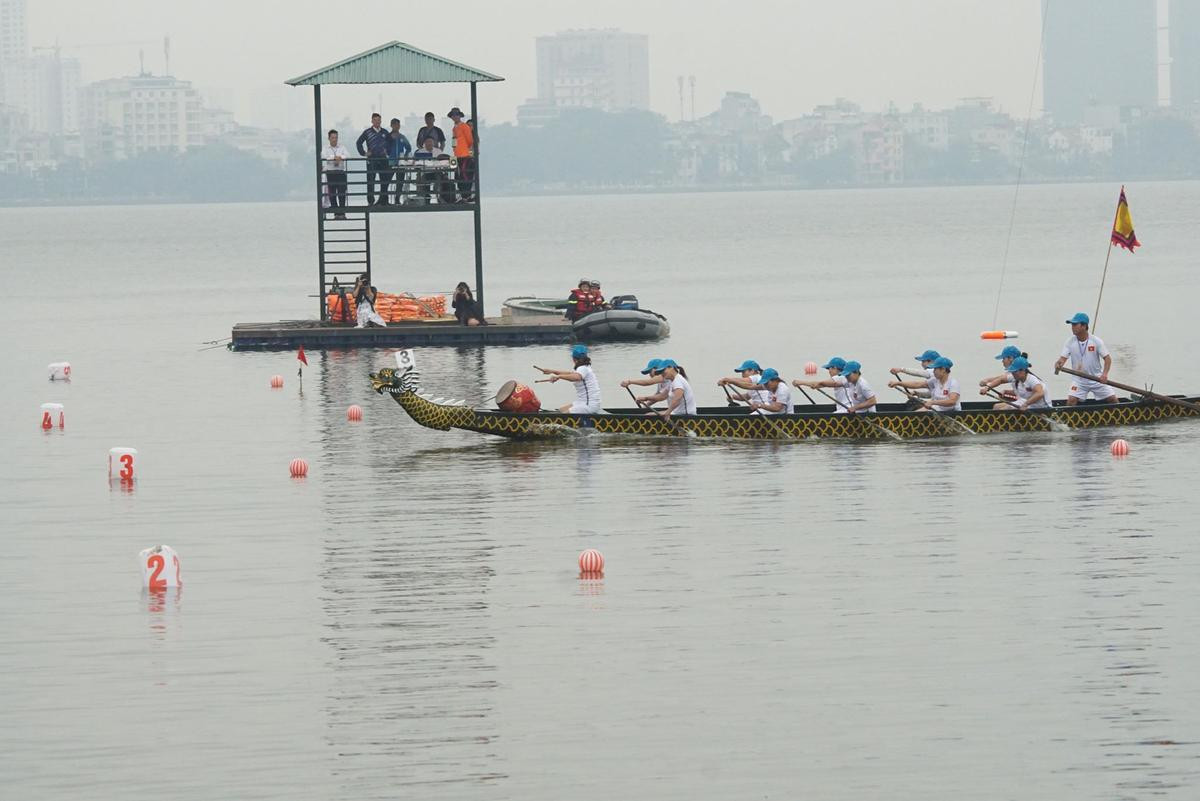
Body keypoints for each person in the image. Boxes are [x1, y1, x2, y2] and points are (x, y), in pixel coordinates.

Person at [1054, 312, 1117, 405]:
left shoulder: (1096, 341)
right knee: (1071, 401)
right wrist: (1058, 364)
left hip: (1097, 379)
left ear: (1084, 326)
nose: (1072, 327)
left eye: (1075, 324)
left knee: (1113, 400)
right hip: (1079, 380)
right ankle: (1067, 419)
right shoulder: (1070, 342)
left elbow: (1108, 359)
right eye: (1072, 325)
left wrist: (1104, 375)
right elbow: (1062, 359)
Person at [536, 344, 602, 413]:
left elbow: (576, 377)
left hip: (588, 405)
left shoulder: (582, 368)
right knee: (561, 410)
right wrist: (552, 371)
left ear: (573, 358)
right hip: (583, 402)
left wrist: (559, 376)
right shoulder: (584, 367)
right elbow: (570, 374)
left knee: (562, 416)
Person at [890, 356, 960, 412]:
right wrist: (898, 383)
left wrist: (933, 402)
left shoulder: (953, 383)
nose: (933, 371)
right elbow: (917, 384)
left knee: (919, 413)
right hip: (937, 409)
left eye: (935, 369)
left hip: (952, 412)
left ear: (943, 370)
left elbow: (952, 401)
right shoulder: (934, 381)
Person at [982, 357, 1049, 410]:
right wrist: (987, 388)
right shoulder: (1016, 377)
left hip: (1041, 407)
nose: (1013, 374)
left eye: (1014, 371)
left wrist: (1026, 404)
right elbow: (1001, 380)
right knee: (996, 406)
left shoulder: (1032, 379)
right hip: (1027, 403)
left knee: (1005, 409)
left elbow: (1040, 393)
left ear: (1022, 370)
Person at [355, 113, 391, 206]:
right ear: (372, 121)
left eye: (379, 120)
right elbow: (359, 143)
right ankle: (370, 201)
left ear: (381, 121)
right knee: (371, 180)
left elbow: (390, 143)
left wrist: (388, 152)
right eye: (375, 120)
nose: (377, 122)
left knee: (385, 180)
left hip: (383, 158)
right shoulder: (367, 132)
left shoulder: (385, 132)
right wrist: (364, 153)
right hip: (372, 159)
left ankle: (384, 200)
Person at [448, 107, 475, 202]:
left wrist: (465, 149)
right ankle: (462, 195)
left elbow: (470, 140)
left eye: (456, 115)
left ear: (459, 116)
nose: (455, 117)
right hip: (456, 155)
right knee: (458, 176)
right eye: (453, 115)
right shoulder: (454, 128)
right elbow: (453, 143)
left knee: (465, 175)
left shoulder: (464, 126)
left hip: (464, 155)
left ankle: (466, 196)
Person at [321, 129, 349, 219]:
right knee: (332, 194)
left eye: (336, 137)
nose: (335, 139)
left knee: (342, 193)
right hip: (331, 172)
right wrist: (334, 158)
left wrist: (340, 157)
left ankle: (342, 213)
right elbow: (324, 156)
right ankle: (336, 213)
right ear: (329, 138)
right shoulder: (325, 148)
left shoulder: (342, 147)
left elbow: (348, 155)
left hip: (340, 172)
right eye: (333, 137)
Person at [386, 118, 412, 205]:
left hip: (401, 163)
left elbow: (408, 147)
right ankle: (384, 198)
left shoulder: (402, 137)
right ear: (391, 125)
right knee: (386, 180)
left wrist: (406, 155)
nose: (397, 127)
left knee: (400, 181)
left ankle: (397, 198)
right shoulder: (388, 136)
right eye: (395, 125)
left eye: (398, 125)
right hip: (390, 162)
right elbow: (385, 148)